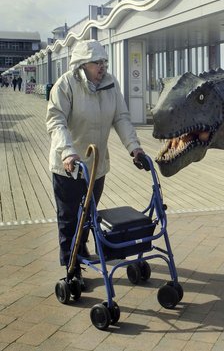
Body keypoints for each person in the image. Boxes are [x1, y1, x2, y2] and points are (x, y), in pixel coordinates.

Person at [46, 39, 145, 288]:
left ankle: (80, 249)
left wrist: (134, 147)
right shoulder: (66, 84)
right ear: (82, 64)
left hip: (96, 166)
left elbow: (121, 118)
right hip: (68, 166)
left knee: (89, 214)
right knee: (70, 218)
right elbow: (56, 120)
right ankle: (72, 267)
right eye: (97, 62)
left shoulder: (110, 84)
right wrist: (67, 152)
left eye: (104, 62)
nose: (103, 67)